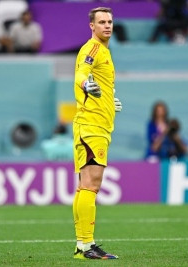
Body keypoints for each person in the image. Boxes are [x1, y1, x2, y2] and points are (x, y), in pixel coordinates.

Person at [72, 7, 121, 260]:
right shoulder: (92, 49)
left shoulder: (105, 52)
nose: (107, 25)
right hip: (92, 126)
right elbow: (82, 73)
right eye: (101, 22)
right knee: (91, 185)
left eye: (110, 21)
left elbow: (100, 83)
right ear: (91, 25)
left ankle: (83, 246)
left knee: (85, 187)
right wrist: (84, 83)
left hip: (96, 123)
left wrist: (110, 101)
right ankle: (86, 245)